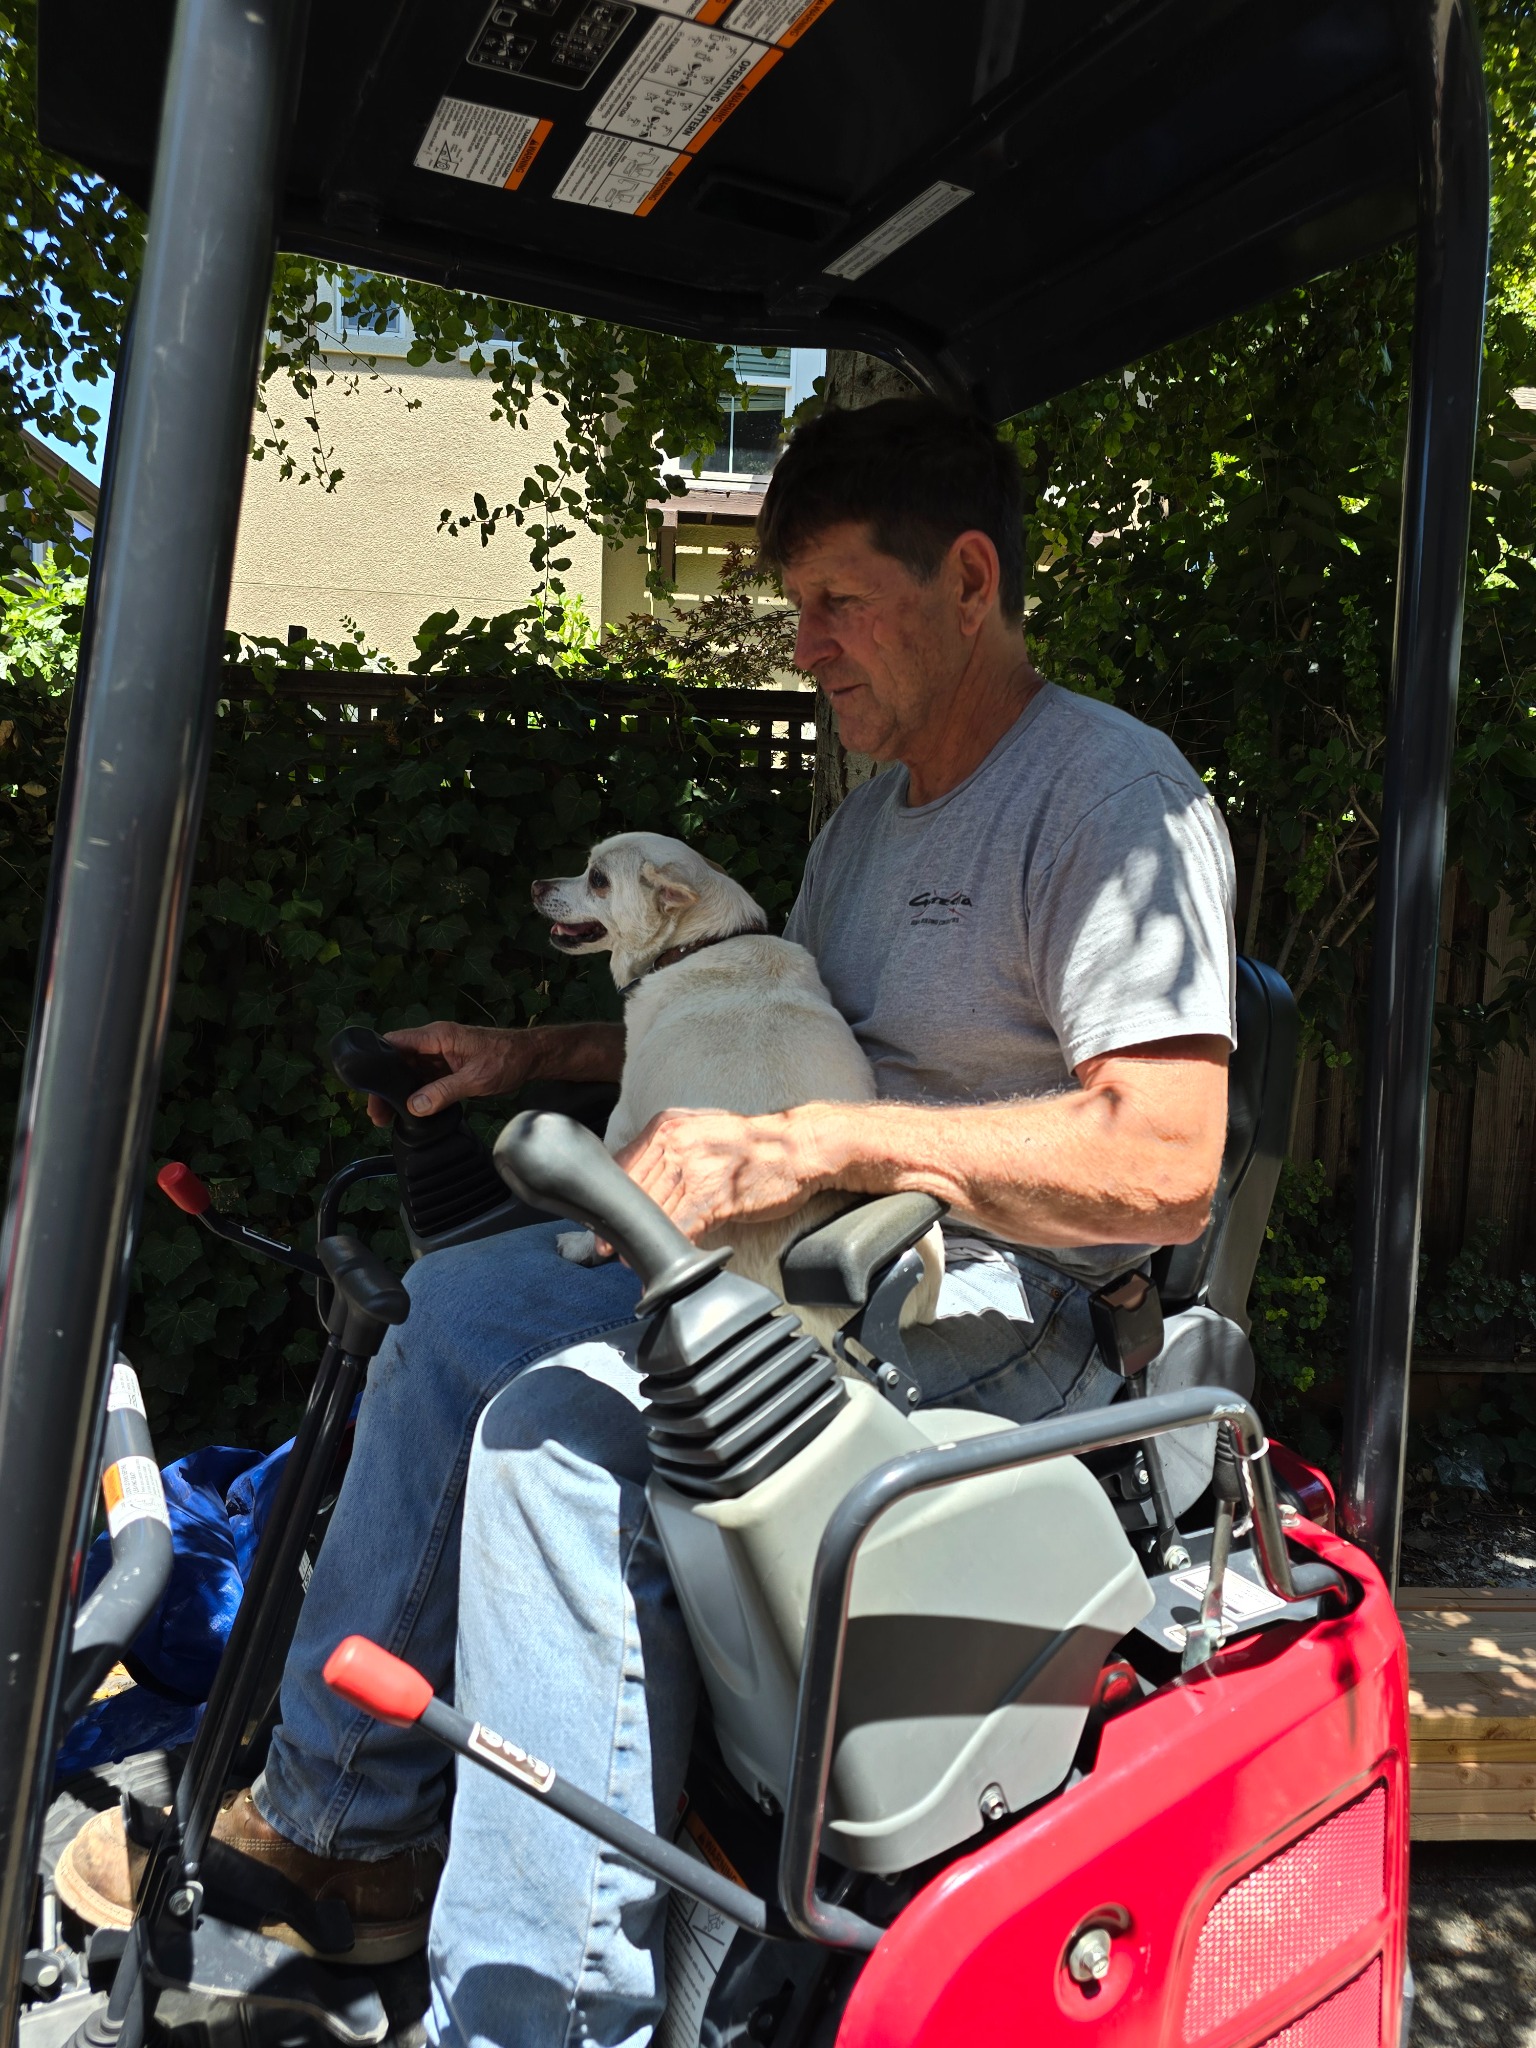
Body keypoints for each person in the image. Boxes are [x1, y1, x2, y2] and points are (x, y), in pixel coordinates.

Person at [57, 399, 1236, 2045]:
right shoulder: (862, 829)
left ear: (969, 580)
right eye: (797, 606)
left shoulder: (1111, 798)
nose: (804, 642)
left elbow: (1167, 1154)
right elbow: (735, 1029)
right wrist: (529, 1057)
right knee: (455, 1310)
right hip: (793, 1279)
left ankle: (547, 2013)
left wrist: (811, 1138)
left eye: (837, 600)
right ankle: (348, 1840)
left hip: (983, 1334)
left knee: (552, 1439)